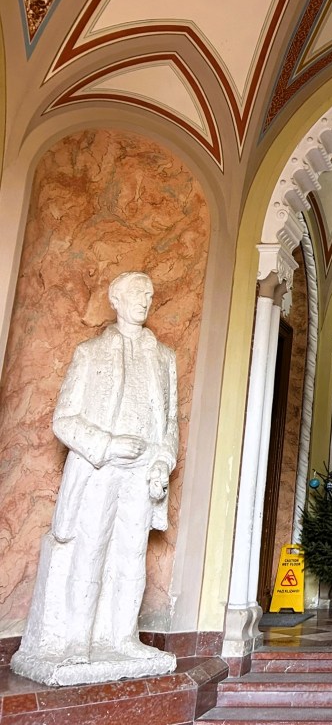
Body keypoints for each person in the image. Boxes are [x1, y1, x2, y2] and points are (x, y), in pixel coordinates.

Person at [12, 272, 178, 685]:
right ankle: (78, 641)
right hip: (99, 468)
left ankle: (122, 638)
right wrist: (106, 443)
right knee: (90, 549)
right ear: (116, 299)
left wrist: (163, 463)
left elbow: (170, 422)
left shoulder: (164, 357)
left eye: (150, 293)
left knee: (131, 553)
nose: (146, 299)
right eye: (139, 293)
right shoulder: (90, 353)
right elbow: (63, 420)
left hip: (142, 473)